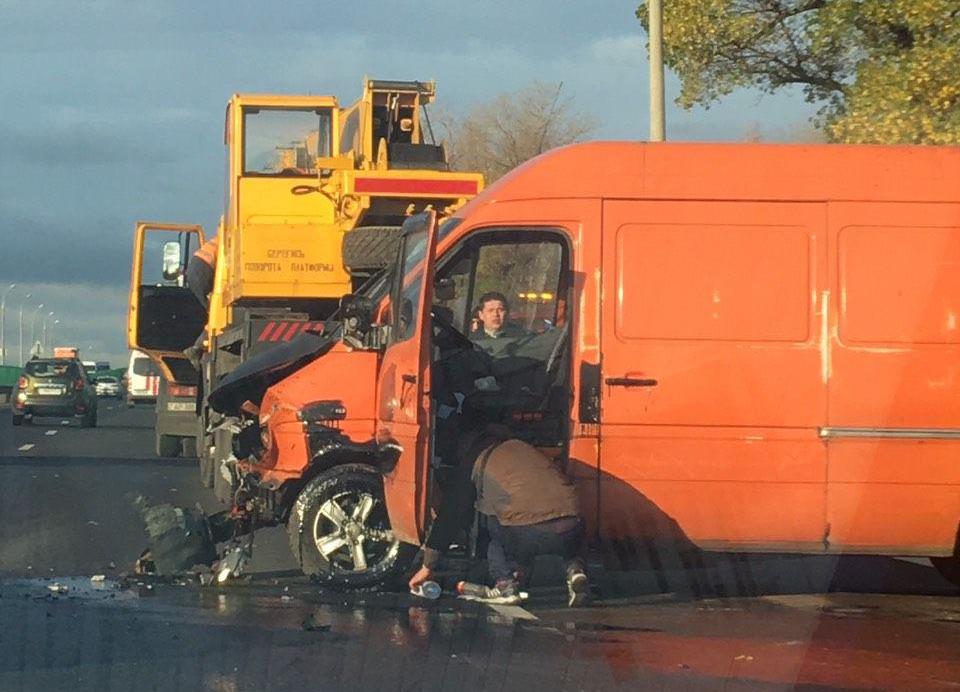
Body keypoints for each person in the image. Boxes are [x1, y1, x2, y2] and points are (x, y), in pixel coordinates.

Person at [409, 423, 590, 607]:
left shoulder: (477, 460)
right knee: (547, 522)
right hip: (573, 526)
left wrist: (427, 566)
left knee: (489, 519)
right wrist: (522, 564)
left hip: (528, 531)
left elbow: (451, 515)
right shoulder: (524, 450)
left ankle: (505, 584)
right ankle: (575, 570)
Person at [185, 236, 218, 310]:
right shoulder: (231, 238)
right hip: (203, 268)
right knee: (208, 308)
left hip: (196, 267)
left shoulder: (222, 237)